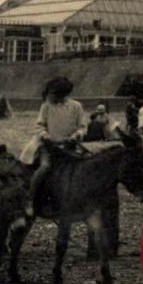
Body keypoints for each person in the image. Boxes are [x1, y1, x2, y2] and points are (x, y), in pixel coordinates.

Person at [19, 77, 87, 225]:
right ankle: (29, 199)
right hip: (48, 146)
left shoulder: (76, 106)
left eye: (53, 94)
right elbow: (39, 125)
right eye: (49, 93)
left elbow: (82, 127)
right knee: (45, 167)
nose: (50, 96)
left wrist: (76, 136)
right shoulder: (46, 106)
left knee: (86, 165)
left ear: (62, 94)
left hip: (68, 146)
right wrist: (46, 136)